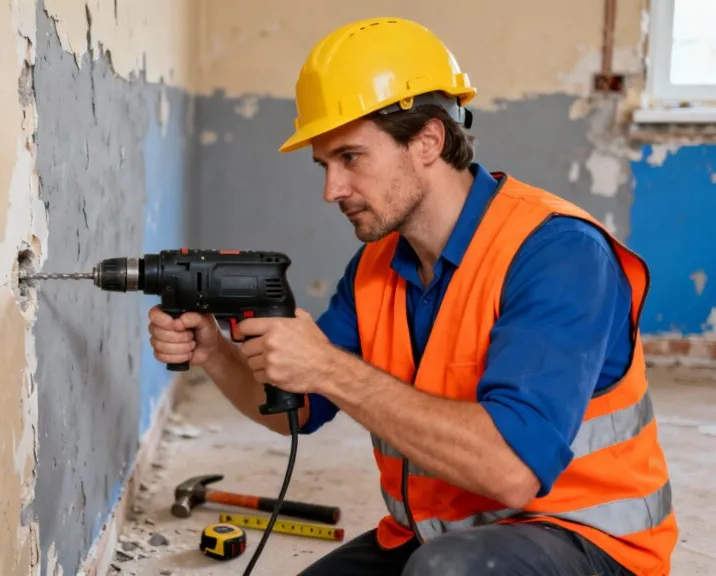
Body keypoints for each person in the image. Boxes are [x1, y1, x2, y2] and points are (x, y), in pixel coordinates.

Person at [147, 16, 678, 576]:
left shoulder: (558, 254)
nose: (332, 190)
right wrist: (215, 352)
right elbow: (295, 409)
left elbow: (512, 470)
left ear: (428, 139)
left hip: (586, 542)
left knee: (446, 572)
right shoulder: (376, 267)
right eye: (323, 166)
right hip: (437, 537)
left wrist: (327, 366)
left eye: (350, 158)